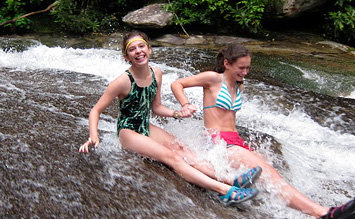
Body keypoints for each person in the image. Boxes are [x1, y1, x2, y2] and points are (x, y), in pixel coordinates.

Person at [171, 43, 355, 219]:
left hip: (234, 140)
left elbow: (230, 119)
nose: (245, 73)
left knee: (265, 168)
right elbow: (177, 83)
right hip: (218, 142)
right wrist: (185, 105)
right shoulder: (213, 78)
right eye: (241, 68)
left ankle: (235, 193)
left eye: (247, 68)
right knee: (270, 174)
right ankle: (322, 214)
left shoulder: (239, 86)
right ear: (227, 64)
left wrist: (246, 147)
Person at [79, 31, 261, 206]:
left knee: (184, 148)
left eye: (141, 46)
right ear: (127, 57)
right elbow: (95, 111)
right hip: (128, 130)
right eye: (132, 49)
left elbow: (156, 107)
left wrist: (177, 113)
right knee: (173, 157)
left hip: (145, 125)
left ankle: (230, 178)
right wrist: (93, 136)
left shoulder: (156, 73)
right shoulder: (122, 81)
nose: (138, 51)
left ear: (149, 49)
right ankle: (225, 191)